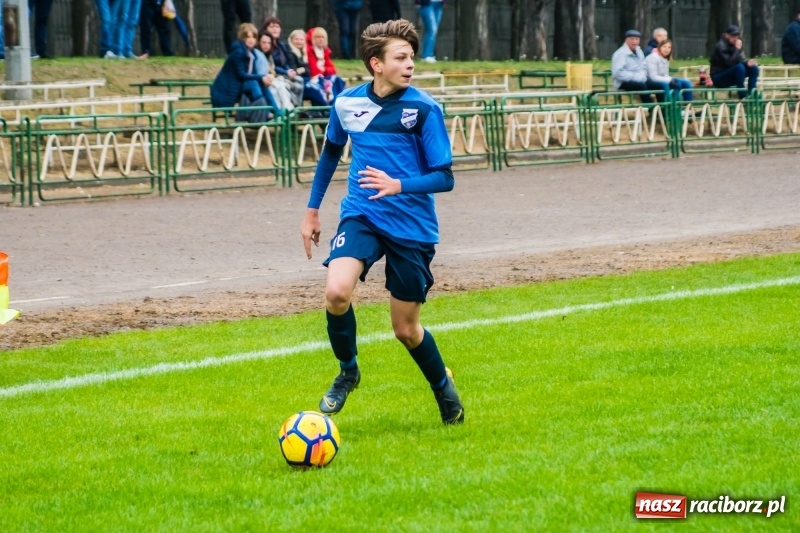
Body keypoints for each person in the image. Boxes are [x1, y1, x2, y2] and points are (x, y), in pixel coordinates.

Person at [299, 18, 464, 426]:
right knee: (336, 293)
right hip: (362, 215)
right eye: (401, 57)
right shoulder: (345, 103)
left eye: (411, 57)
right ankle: (348, 371)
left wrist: (399, 184)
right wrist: (312, 210)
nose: (410, 64)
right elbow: (331, 153)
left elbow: (445, 177)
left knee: (406, 330)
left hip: (412, 227)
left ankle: (444, 390)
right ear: (376, 63)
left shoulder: (424, 109)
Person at [210, 23, 274, 123]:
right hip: (228, 88)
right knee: (254, 83)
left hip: (241, 85)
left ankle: (276, 112)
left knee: (261, 83)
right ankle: (265, 112)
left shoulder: (251, 53)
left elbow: (253, 73)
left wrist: (263, 78)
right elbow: (241, 74)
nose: (251, 39)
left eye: (253, 37)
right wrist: (261, 77)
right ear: (242, 38)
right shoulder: (238, 51)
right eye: (247, 37)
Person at [611, 29, 664, 104]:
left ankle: (663, 110)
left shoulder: (639, 51)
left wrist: (643, 75)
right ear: (626, 40)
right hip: (624, 82)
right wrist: (636, 77)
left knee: (659, 85)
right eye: (632, 39)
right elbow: (618, 73)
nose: (635, 41)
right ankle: (651, 107)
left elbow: (644, 66)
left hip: (641, 78)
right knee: (641, 85)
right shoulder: (620, 53)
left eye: (637, 39)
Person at [262, 17, 305, 108]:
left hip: (286, 73)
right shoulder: (265, 45)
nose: (275, 29)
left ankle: (297, 109)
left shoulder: (282, 44)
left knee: (300, 81)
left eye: (277, 27)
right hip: (275, 75)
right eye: (271, 26)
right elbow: (271, 66)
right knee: (286, 85)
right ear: (266, 29)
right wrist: (285, 72)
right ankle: (289, 109)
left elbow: (287, 61)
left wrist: (290, 70)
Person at [645, 39, 694, 117]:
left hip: (661, 79)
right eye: (664, 47)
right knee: (669, 84)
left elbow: (665, 74)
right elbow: (652, 76)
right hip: (649, 81)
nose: (667, 49)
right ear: (659, 47)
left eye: (669, 47)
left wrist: (671, 79)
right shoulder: (652, 58)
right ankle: (673, 109)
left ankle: (688, 109)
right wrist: (670, 80)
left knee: (686, 82)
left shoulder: (665, 59)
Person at [709, 25, 758, 99]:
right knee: (739, 68)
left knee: (754, 68)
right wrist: (737, 49)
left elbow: (739, 60)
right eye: (733, 36)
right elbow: (729, 63)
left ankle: (752, 94)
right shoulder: (720, 46)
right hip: (718, 77)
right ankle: (743, 96)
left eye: (736, 36)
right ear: (727, 35)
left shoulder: (733, 45)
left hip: (732, 74)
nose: (735, 38)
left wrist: (747, 63)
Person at [287, 28, 331, 107]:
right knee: (315, 87)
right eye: (296, 39)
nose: (299, 41)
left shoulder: (304, 53)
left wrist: (303, 69)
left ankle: (322, 108)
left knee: (323, 84)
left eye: (301, 39)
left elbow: (308, 70)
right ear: (291, 40)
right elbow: (294, 69)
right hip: (298, 80)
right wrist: (302, 70)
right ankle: (325, 107)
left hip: (306, 79)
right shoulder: (290, 53)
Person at [254, 31, 295, 112]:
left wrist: (272, 76)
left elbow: (272, 70)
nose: (266, 45)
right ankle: (285, 111)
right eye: (264, 42)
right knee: (276, 89)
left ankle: (285, 110)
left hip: (270, 81)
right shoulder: (256, 55)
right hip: (261, 82)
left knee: (280, 86)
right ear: (258, 42)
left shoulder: (269, 56)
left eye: (269, 43)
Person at [306, 27, 347, 100]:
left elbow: (333, 70)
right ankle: (330, 105)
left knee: (337, 79)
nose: (321, 39)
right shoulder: (309, 51)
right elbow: (315, 71)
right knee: (327, 82)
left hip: (325, 77)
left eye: (323, 37)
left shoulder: (325, 51)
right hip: (313, 79)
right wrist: (325, 71)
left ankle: (341, 101)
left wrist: (324, 70)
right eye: (318, 37)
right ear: (313, 39)